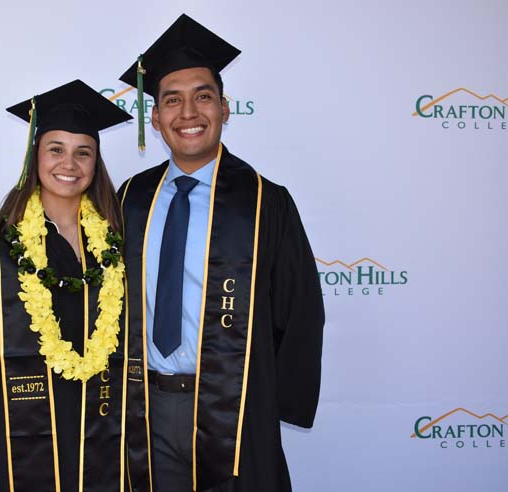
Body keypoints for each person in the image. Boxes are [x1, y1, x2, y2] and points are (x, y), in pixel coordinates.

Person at [117, 14, 325, 492]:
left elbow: (299, 310)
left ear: (225, 109)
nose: (188, 113)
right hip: (141, 408)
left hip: (232, 408)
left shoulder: (265, 201)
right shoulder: (130, 198)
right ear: (155, 118)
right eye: (172, 100)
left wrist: (270, 402)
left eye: (203, 96)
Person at [0, 79, 133, 492]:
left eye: (83, 153)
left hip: (110, 422)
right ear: (34, 157)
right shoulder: (2, 241)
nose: (69, 164)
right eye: (55, 149)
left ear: (96, 163)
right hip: (23, 423)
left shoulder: (116, 237)